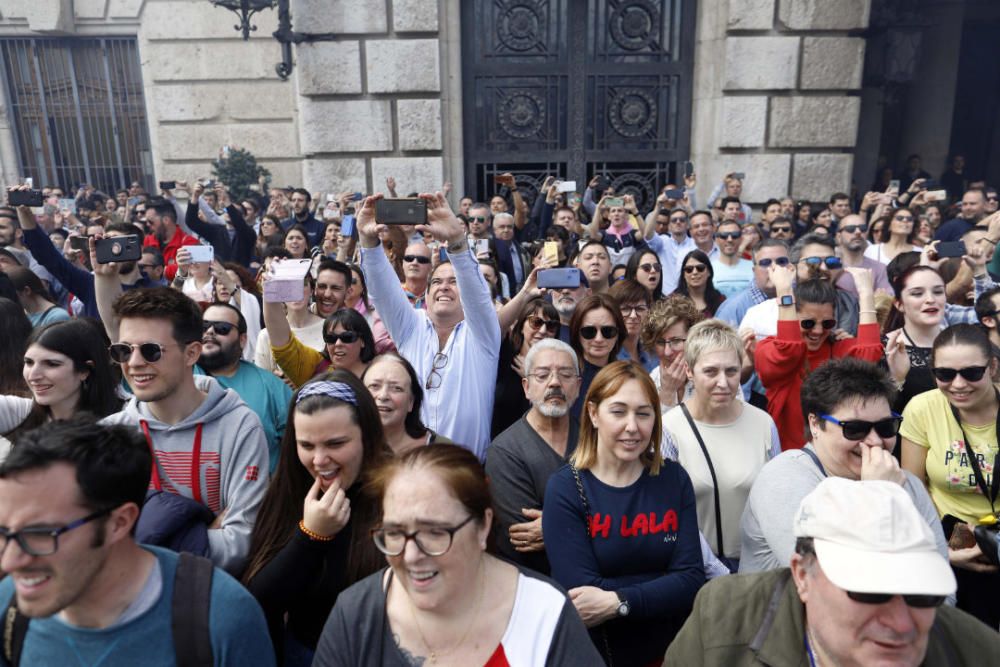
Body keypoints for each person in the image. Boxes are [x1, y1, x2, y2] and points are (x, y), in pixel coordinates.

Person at [0, 417, 276, 666]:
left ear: (119, 523)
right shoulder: (9, 606)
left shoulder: (222, 619)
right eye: (3, 531)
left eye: (40, 534)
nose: (10, 561)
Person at [312, 444, 602, 666]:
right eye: (395, 533)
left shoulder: (544, 613)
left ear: (483, 526)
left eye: (435, 533)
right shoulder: (355, 616)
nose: (411, 556)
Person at [668, 477, 999, 666]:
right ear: (802, 575)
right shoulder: (724, 620)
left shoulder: (978, 652)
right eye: (869, 591)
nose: (900, 622)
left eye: (922, 595)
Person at [100, 287, 270, 575]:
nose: (134, 362)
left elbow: (241, 544)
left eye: (151, 351)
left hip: (207, 603)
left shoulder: (240, 426)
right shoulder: (109, 434)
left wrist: (135, 544)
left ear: (192, 353)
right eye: (123, 351)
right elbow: (92, 541)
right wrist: (202, 535)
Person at [543, 361, 704, 664]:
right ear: (593, 413)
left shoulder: (673, 479)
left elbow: (692, 578)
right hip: (598, 656)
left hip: (672, 653)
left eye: (643, 413)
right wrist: (662, 584)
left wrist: (618, 601)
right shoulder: (565, 488)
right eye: (618, 412)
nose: (632, 426)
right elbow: (581, 596)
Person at [740, 358, 948, 574]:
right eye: (855, 429)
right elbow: (829, 579)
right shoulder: (785, 478)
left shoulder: (902, 482)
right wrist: (879, 497)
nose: (875, 441)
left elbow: (942, 586)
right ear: (815, 424)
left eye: (886, 427)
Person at [244, 373, 388, 665]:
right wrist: (311, 536)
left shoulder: (400, 493)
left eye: (335, 444)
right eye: (307, 446)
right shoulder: (289, 490)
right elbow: (260, 600)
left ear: (367, 437)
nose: (319, 460)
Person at [359, 192, 501, 460]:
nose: (444, 286)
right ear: (425, 294)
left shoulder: (482, 335)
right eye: (436, 282)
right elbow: (382, 291)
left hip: (465, 475)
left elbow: (477, 292)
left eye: (453, 281)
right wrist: (368, 240)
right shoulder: (411, 328)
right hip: (407, 469)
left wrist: (457, 242)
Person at [900, 324, 1000, 627]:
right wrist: (941, 549)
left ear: (993, 366)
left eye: (971, 373)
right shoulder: (923, 408)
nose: (958, 384)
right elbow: (913, 489)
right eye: (944, 374)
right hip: (951, 543)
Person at [662, 320, 779, 568]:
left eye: (731, 371)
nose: (723, 383)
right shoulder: (669, 429)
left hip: (758, 569)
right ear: (689, 371)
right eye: (711, 371)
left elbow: (775, 502)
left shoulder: (763, 424)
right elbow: (666, 515)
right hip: (694, 570)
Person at [485, 338, 582, 575]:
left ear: (578, 386)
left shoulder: (597, 439)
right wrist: (598, 524)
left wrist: (555, 526)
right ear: (526, 387)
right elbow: (524, 539)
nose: (555, 383)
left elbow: (623, 514)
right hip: (534, 583)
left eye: (566, 375)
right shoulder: (506, 451)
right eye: (542, 375)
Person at [198, 303, 291, 474]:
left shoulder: (271, 386)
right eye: (204, 327)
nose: (210, 332)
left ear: (242, 340)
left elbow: (296, 445)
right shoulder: (178, 375)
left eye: (222, 328)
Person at [882, 265, 984, 415]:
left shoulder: (966, 341)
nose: (930, 299)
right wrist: (897, 379)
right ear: (899, 304)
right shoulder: (885, 348)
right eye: (917, 294)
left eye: (938, 292)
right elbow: (880, 415)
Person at [266, 293, 376, 386]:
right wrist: (271, 289)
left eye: (347, 337)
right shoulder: (317, 368)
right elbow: (283, 344)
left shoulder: (381, 371)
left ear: (362, 341)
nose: (338, 343)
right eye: (331, 338)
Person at [492, 297, 560, 438]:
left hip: (534, 447)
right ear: (521, 326)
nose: (543, 330)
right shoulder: (503, 355)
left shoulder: (557, 370)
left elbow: (552, 417)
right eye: (536, 322)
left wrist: (532, 379)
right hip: (497, 444)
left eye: (551, 326)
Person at [361, 353, 452, 456]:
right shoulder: (347, 445)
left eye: (396, 388)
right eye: (374, 386)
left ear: (411, 402)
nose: (383, 396)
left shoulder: (443, 452)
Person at [568, 293, 626, 420]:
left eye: (608, 331)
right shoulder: (565, 376)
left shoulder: (626, 376)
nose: (599, 339)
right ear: (576, 334)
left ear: (618, 334)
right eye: (589, 332)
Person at [254, 273, 325, 374]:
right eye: (288, 285)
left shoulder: (328, 328)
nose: (295, 290)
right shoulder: (266, 335)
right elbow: (261, 380)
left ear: (312, 291)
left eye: (302, 284)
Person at [643, 295, 703, 411]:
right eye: (660, 342)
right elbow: (654, 428)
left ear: (693, 338)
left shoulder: (713, 373)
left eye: (675, 341)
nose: (667, 352)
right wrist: (667, 393)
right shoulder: (652, 380)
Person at [714, 239, 789, 328]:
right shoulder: (732, 309)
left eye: (781, 261)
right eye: (765, 263)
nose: (774, 267)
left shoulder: (803, 301)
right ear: (754, 270)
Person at [673, 249, 725, 317]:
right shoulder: (673, 301)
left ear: (709, 272)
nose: (695, 272)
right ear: (684, 275)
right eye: (689, 269)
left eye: (700, 268)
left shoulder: (720, 300)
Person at [710, 221, 753, 298]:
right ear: (716, 239)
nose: (729, 239)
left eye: (735, 235)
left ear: (741, 239)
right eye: (724, 236)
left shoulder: (753, 267)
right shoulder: (708, 268)